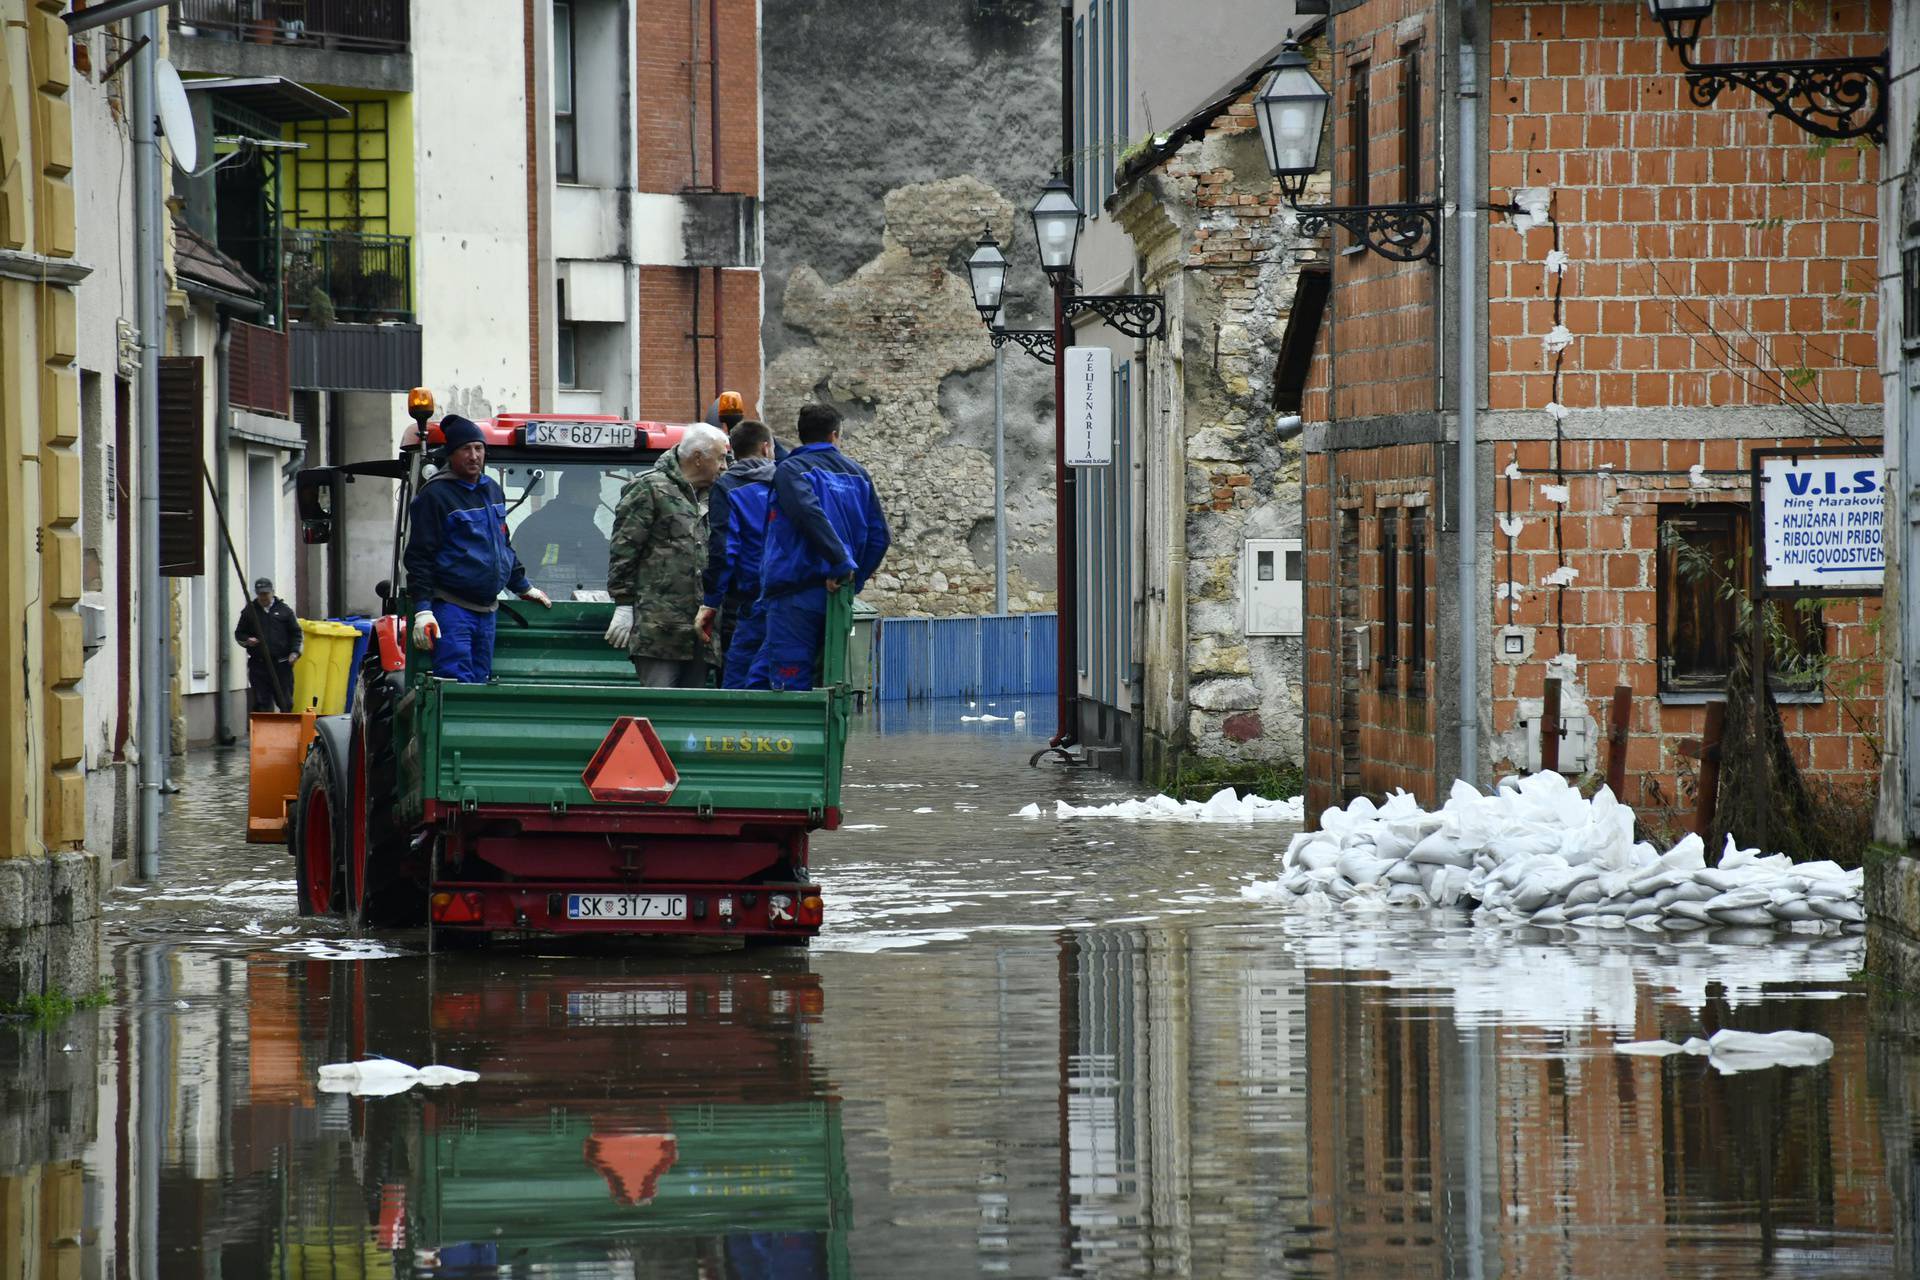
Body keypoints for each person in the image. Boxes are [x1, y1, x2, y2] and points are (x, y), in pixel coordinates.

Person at [749, 403, 891, 691]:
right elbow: (879, 537)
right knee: (830, 679)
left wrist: (842, 565)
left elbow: (807, 512)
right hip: (837, 594)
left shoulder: (790, 471)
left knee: (790, 683)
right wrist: (852, 579)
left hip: (794, 595)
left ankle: (783, 734)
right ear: (835, 435)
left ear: (801, 435)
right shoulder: (859, 475)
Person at [404, 413, 551, 682]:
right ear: (451, 454)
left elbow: (501, 544)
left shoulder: (492, 490)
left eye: (479, 448)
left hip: (487, 610)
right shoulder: (435, 496)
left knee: (480, 682)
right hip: (452, 608)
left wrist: (522, 586)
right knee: (456, 684)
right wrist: (424, 610)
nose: (474, 456)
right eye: (466, 449)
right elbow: (419, 557)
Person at [604, 423, 730, 686]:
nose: (724, 466)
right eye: (719, 458)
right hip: (659, 632)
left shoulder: (715, 495)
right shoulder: (649, 488)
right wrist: (624, 603)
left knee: (691, 718)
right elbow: (624, 550)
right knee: (659, 710)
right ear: (698, 458)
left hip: (701, 631)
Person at [702, 420, 778, 688]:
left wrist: (710, 601)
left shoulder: (727, 487)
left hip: (743, 600)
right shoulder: (789, 482)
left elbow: (724, 551)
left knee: (738, 674)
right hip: (787, 596)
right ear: (766, 448)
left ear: (733, 450)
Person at [515, 469, 610, 597]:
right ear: (578, 492)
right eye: (596, 493)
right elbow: (605, 565)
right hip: (572, 609)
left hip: (531, 609)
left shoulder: (529, 525)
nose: (598, 501)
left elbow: (507, 569)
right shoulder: (583, 529)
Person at [234, 577, 302, 712]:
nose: (263, 597)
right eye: (260, 594)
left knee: (285, 702)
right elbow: (239, 634)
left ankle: (285, 730)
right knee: (262, 703)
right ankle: (263, 731)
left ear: (272, 592)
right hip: (259, 665)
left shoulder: (284, 611)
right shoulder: (250, 611)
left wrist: (294, 652)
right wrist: (248, 640)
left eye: (266, 594)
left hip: (282, 665)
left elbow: (296, 634)